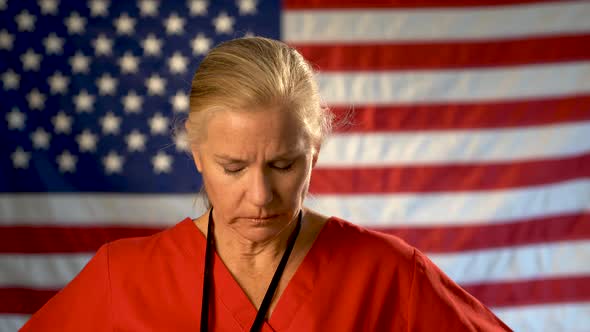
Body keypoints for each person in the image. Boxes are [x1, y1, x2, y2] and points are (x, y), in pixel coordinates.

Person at [21, 37, 511, 331]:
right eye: (233, 167)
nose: (259, 196)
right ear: (196, 155)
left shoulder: (391, 276)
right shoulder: (121, 276)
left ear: (314, 153)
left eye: (283, 165)